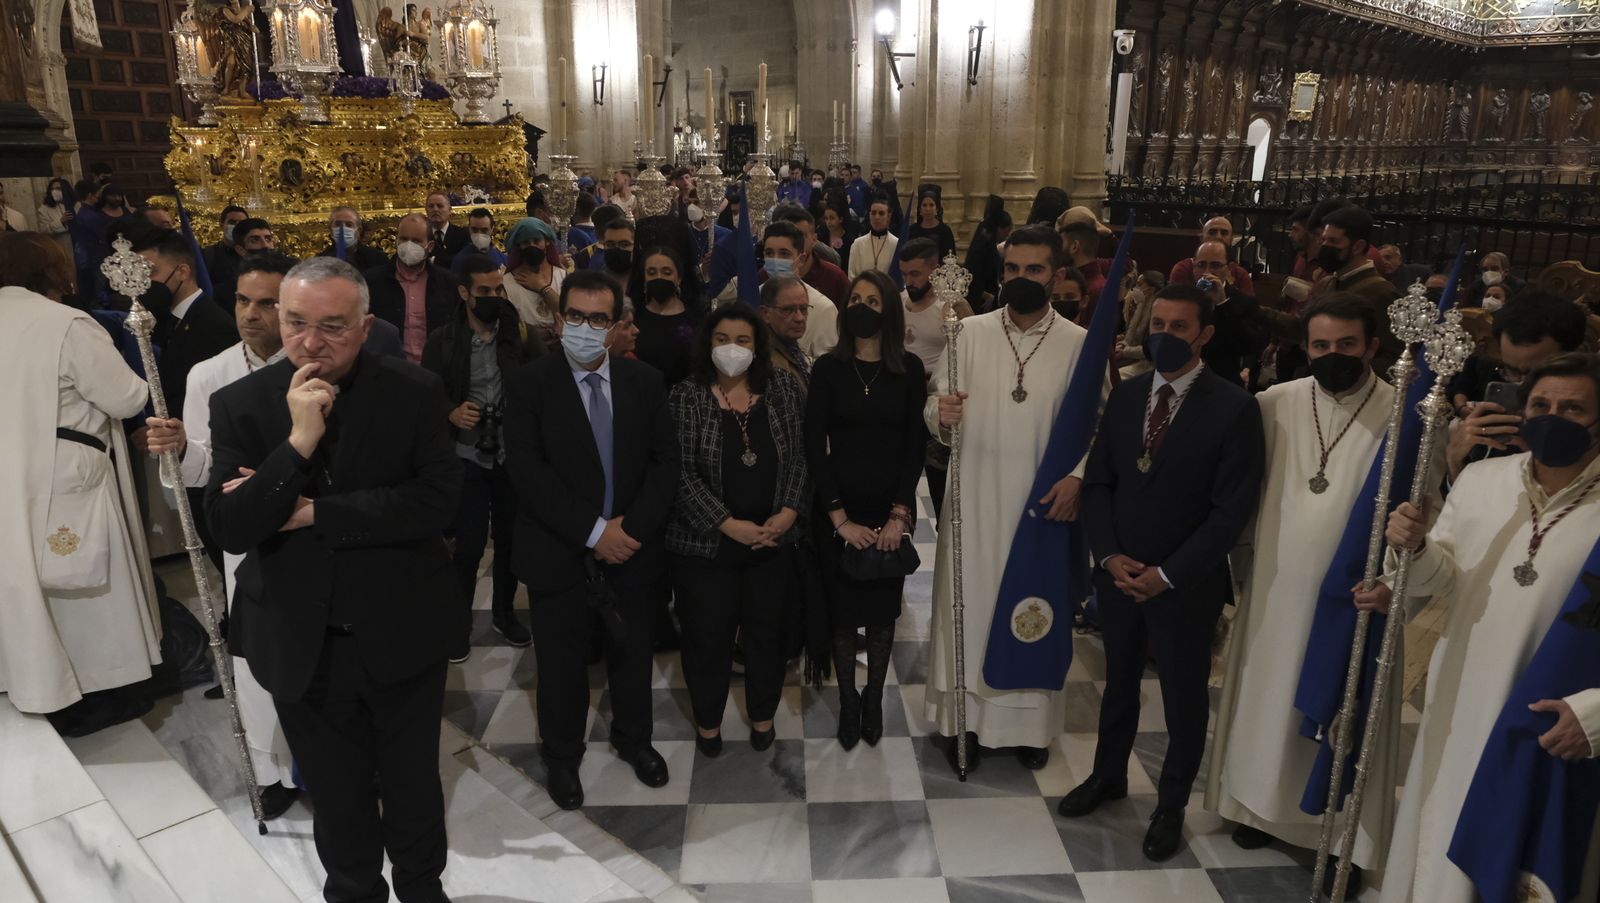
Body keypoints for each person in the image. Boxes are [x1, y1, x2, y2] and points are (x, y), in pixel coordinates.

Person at [205, 256, 461, 903]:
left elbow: (435, 502)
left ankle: (423, 890)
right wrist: (296, 444)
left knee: (412, 789)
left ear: (367, 323)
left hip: (401, 631)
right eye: (295, 323)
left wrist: (314, 511)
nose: (310, 342)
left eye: (333, 326)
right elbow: (232, 526)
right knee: (338, 797)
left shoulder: (415, 390)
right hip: (301, 641)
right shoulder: (240, 405)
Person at [1205, 295, 1413, 893]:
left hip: (1354, 599)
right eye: (1320, 346)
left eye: (1347, 345)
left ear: (1372, 347)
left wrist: (1396, 581)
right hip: (1274, 585)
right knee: (1268, 699)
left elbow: (1421, 514)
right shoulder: (1274, 403)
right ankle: (1257, 810)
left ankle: (1336, 835)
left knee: (1339, 707)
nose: (1332, 356)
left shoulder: (1406, 414)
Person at [1377, 353, 1600, 903]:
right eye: (1541, 405)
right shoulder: (1481, 478)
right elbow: (1442, 582)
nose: (1554, 417)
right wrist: (1416, 545)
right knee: (1442, 839)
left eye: (1573, 409)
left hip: (1554, 726)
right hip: (1461, 703)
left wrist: (1596, 713)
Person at [1065, 284, 1265, 862]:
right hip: (1120, 571)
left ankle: (1172, 803)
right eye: (1158, 325)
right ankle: (1107, 775)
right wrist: (1108, 555)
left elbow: (1231, 511)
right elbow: (1099, 481)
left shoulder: (1234, 407)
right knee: (1118, 683)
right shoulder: (1128, 396)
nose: (1165, 337)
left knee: (1183, 696)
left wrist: (1168, 574)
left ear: (1204, 335)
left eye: (1179, 328)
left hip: (1187, 582)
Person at [923, 225, 1098, 773]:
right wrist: (940, 415)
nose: (1022, 279)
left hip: (1042, 509)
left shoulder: (1078, 346)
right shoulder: (966, 333)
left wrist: (1078, 477)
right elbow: (933, 406)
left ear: (1056, 274)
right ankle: (963, 723)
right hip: (973, 499)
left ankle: (1029, 726)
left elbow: (1098, 427)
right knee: (968, 608)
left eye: (1035, 270)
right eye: (1014, 270)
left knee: (1034, 610)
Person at [502, 270, 678, 811]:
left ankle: (634, 740)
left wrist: (628, 531)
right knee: (560, 662)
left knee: (632, 654)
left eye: (597, 319)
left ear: (617, 326)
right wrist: (594, 531)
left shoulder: (644, 382)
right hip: (560, 549)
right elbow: (528, 474)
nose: (583, 327)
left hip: (631, 548)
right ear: (559, 320)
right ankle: (562, 754)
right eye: (574, 315)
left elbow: (665, 465)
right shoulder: (530, 383)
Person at [143, 250, 301, 818]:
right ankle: (273, 771)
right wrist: (182, 448)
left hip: (313, 533)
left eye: (267, 303)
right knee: (257, 661)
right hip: (249, 543)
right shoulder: (210, 374)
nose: (251, 314)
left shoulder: (317, 362)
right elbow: (202, 468)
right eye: (241, 300)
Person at [0, 232, 159, 735]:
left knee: (21, 582)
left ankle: (31, 679)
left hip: (11, 473)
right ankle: (98, 688)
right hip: (61, 472)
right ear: (49, 271)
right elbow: (127, 398)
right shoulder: (65, 324)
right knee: (85, 591)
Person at [667, 304, 808, 757]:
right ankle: (708, 721)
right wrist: (727, 524)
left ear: (757, 345)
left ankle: (763, 715)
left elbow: (802, 455)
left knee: (766, 633)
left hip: (772, 539)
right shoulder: (687, 395)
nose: (732, 349)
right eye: (722, 339)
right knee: (707, 635)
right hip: (706, 544)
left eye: (742, 340)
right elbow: (680, 473)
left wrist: (788, 512)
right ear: (707, 345)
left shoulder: (783, 388)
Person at [806, 270, 927, 748]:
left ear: (889, 311)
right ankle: (849, 701)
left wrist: (900, 514)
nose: (862, 307)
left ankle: (874, 696)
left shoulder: (909, 369)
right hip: (838, 506)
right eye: (855, 299)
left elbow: (914, 446)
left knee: (879, 613)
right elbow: (815, 446)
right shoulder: (828, 369)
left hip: (887, 509)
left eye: (873, 301)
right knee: (842, 615)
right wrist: (839, 520)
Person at [421, 254, 544, 660]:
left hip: (511, 456)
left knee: (510, 541)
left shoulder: (519, 334)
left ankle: (504, 613)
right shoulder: (444, 340)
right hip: (466, 455)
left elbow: (542, 384)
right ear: (464, 293)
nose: (493, 297)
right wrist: (450, 411)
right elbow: (427, 396)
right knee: (469, 545)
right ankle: (457, 622)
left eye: (498, 289)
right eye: (484, 291)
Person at [1446, 291, 1589, 483]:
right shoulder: (1496, 411)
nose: (1522, 387)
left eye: (1535, 374)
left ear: (1575, 357)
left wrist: (1539, 461)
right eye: (1512, 371)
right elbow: (1459, 505)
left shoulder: (1588, 418)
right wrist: (1455, 461)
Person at [898, 237, 973, 520]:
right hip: (903, 403)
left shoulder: (953, 306)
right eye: (904, 274)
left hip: (937, 405)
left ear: (935, 270)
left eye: (915, 274)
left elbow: (967, 357)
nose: (908, 281)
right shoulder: (898, 301)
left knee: (942, 491)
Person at [134, 228, 239, 421]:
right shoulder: (168, 319)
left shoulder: (214, 325)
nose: (143, 283)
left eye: (150, 272)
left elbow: (217, 397)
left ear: (182, 272)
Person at [1312, 205, 1402, 373]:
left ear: (1357, 246)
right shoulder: (1331, 283)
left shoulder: (1382, 292)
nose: (1324, 247)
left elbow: (1394, 357)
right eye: (1324, 240)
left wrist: (1349, 370)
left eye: (1333, 241)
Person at [365, 212, 457, 363]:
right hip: (389, 369)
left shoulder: (447, 283)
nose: (408, 245)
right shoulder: (372, 282)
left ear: (430, 246)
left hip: (434, 370)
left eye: (416, 241)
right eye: (404, 239)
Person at [1190, 239, 1268, 386]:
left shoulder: (1245, 302)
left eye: (1215, 265)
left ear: (1229, 268)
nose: (1207, 272)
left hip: (1222, 381)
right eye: (1201, 265)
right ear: (1193, 267)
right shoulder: (1181, 298)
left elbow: (1250, 345)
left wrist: (1222, 304)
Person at [632, 245, 700, 387]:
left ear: (679, 278)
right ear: (644, 277)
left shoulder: (696, 319)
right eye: (651, 272)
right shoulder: (633, 318)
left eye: (666, 272)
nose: (659, 277)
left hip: (684, 402)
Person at [502, 217, 565, 349]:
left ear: (547, 242)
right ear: (519, 246)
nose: (531, 246)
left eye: (536, 241)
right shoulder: (506, 283)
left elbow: (569, 315)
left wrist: (543, 288)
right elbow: (509, 327)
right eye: (525, 242)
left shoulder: (563, 276)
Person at [769, 203, 850, 306]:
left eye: (801, 235)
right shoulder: (767, 274)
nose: (795, 242)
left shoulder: (835, 278)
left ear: (814, 239)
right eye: (788, 236)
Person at [1167, 216, 1257, 296]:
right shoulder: (1183, 269)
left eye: (1224, 233)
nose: (1218, 237)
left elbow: (1248, 310)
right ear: (1201, 238)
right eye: (1212, 232)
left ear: (1231, 240)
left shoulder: (1240, 275)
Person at [1055, 206, 1114, 323]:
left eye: (1061, 243)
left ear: (1074, 246)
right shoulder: (1092, 285)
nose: (1057, 250)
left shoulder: (1096, 291)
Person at [759, 275, 814, 382]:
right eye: (788, 310)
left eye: (803, 309)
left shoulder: (791, 349)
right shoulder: (772, 368)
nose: (799, 318)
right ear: (765, 314)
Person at [963, 195, 1011, 311]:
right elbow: (972, 277)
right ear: (999, 228)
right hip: (980, 302)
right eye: (1007, 231)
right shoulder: (983, 247)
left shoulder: (988, 243)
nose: (1007, 235)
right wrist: (987, 296)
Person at [318, 206, 387, 271]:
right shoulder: (319, 262)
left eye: (349, 225)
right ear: (331, 229)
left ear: (359, 231)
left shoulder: (377, 259)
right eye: (338, 224)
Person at [848, 199, 898, 278]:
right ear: (869, 215)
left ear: (888, 216)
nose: (876, 217)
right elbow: (851, 275)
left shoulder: (896, 244)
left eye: (881, 213)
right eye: (873, 213)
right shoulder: (858, 244)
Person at [906, 188, 957, 261]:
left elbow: (950, 258)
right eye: (924, 205)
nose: (928, 209)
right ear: (920, 209)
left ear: (937, 209)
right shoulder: (912, 230)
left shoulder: (945, 231)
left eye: (931, 205)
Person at [424, 191, 468, 269]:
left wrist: (434, 260)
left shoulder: (463, 234)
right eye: (431, 206)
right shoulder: (421, 235)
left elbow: (465, 261)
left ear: (449, 210)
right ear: (426, 210)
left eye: (440, 206)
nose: (435, 209)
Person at [36, 177, 75, 262]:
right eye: (52, 189)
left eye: (58, 188)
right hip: (61, 246)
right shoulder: (44, 209)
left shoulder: (75, 205)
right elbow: (44, 230)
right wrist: (61, 222)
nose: (54, 191)